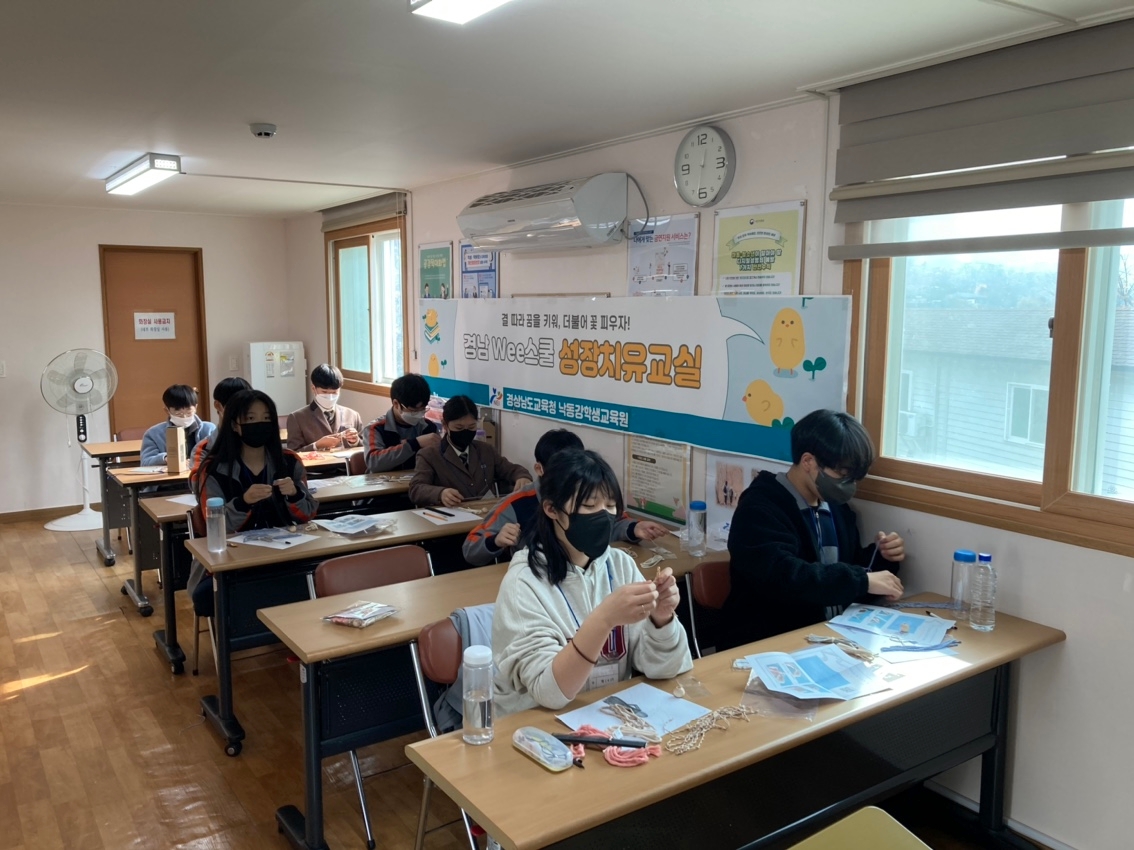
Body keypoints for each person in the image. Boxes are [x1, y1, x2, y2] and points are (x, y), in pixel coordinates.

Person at [492, 449, 692, 715]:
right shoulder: (524, 583)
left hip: (605, 716)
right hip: (535, 725)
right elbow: (549, 693)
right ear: (552, 509)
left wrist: (662, 619)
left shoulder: (620, 565)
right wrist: (604, 619)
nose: (603, 515)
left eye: (610, 506)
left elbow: (666, 669)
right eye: (588, 506)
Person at [720, 409, 905, 649]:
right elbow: (786, 578)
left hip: (828, 637)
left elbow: (846, 575)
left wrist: (881, 557)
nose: (848, 486)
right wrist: (861, 580)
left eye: (853, 478)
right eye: (842, 474)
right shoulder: (760, 507)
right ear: (808, 461)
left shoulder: (837, 509)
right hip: (768, 641)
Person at [188, 389, 318, 613]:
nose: (260, 424)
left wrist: (294, 494)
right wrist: (243, 502)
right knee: (212, 595)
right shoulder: (213, 470)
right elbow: (215, 526)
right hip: (232, 561)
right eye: (250, 419)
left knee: (319, 575)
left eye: (266, 418)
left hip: (286, 554)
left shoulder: (289, 461)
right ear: (234, 425)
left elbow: (308, 514)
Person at [463, 428, 669, 566]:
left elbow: (612, 523)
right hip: (539, 579)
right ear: (539, 469)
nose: (570, 476)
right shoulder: (515, 504)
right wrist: (496, 541)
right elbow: (470, 548)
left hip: (584, 572)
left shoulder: (594, 495)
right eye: (560, 469)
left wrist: (634, 529)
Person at [409, 395, 532, 507]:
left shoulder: (486, 450)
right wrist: (440, 493)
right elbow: (416, 489)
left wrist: (522, 477)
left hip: (485, 514)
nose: (466, 432)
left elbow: (512, 469)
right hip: (452, 517)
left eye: (471, 427)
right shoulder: (429, 455)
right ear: (445, 425)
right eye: (459, 428)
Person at [361, 373, 440, 472]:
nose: (419, 414)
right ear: (396, 404)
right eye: (414, 410)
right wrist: (414, 444)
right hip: (384, 481)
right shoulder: (375, 428)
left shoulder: (428, 427)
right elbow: (374, 463)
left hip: (419, 480)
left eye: (423, 409)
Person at [188, 377, 251, 491]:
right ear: (218, 405)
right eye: (235, 405)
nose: (242, 411)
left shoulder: (259, 440)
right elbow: (199, 488)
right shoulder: (204, 449)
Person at [285, 364, 363, 452]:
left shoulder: (353, 415)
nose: (330, 397)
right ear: (313, 388)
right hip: (316, 461)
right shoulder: (297, 418)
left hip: (345, 461)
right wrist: (316, 445)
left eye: (334, 392)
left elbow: (364, 447)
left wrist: (355, 441)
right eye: (324, 392)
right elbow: (293, 454)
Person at [140, 384, 216, 465]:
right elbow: (145, 462)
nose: (184, 417)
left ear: (196, 407)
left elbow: (218, 455)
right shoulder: (153, 433)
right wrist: (166, 458)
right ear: (167, 410)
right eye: (178, 414)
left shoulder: (209, 429)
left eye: (189, 412)